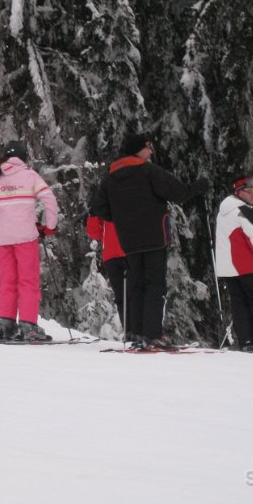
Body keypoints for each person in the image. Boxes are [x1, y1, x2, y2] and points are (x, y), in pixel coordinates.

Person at [91, 131, 208, 349]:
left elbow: (99, 208)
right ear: (138, 150)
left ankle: (135, 332)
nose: (151, 151)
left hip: (128, 240)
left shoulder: (111, 177)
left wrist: (120, 218)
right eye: (148, 147)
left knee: (136, 284)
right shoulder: (148, 171)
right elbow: (178, 192)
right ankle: (152, 333)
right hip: (154, 235)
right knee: (155, 284)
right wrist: (198, 187)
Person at [0, 141, 59, 341]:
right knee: (28, 281)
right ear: (23, 157)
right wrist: (50, 226)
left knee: (7, 281)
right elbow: (49, 200)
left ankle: (6, 325)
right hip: (26, 236)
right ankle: (28, 325)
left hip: (3, 238)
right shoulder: (30, 176)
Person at [214, 176, 253, 353]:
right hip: (246, 265)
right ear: (239, 192)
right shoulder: (242, 211)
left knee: (239, 304)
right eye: (250, 192)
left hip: (228, 268)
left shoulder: (223, 211)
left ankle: (246, 341)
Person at [85, 209, 127, 333]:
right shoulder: (104, 198)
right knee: (124, 296)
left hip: (123, 253)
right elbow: (94, 233)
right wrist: (93, 214)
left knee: (129, 295)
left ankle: (136, 333)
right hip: (116, 254)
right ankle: (131, 333)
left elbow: (94, 233)